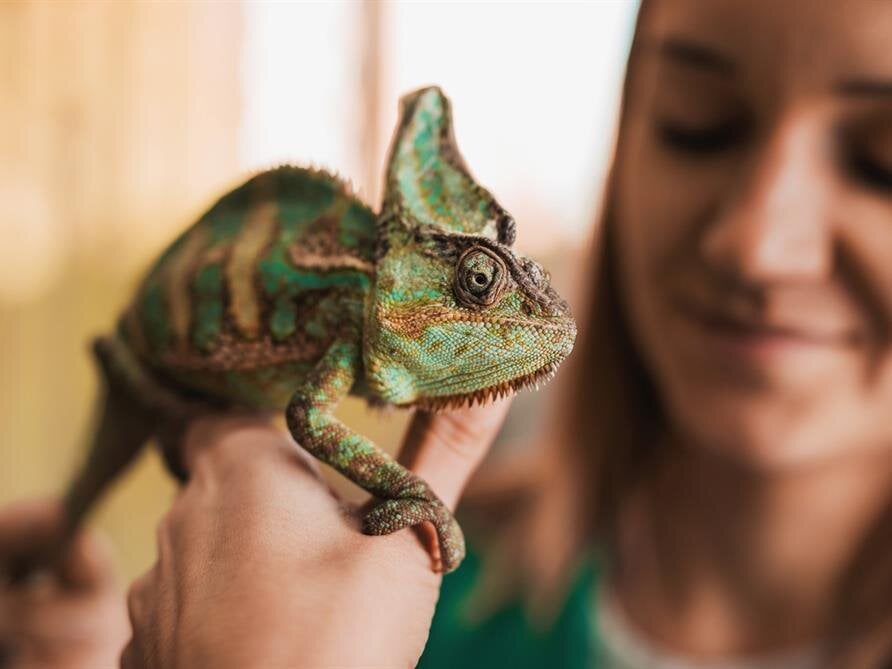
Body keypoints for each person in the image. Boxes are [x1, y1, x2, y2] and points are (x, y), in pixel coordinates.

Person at [3, 0, 892, 666]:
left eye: (882, 157)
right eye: (699, 126)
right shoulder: (399, 599)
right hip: (148, 366)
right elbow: (312, 421)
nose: (757, 244)